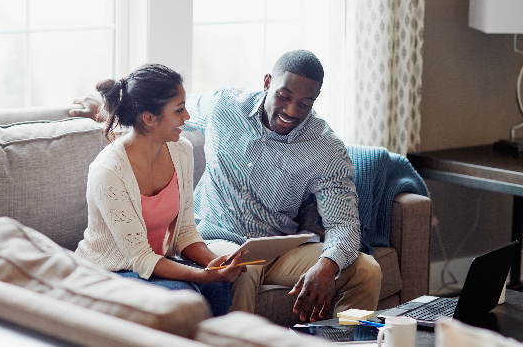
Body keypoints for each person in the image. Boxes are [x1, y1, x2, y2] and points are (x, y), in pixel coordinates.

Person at [71, 50, 382, 322]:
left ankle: (347, 341)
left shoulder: (325, 148)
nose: (291, 111)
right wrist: (104, 109)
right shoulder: (224, 107)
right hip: (220, 238)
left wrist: (328, 265)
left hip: (279, 245)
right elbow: (159, 112)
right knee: (239, 274)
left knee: (366, 269)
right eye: (284, 97)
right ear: (266, 83)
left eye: (304, 103)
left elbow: (345, 227)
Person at [74, 64, 246, 317]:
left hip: (151, 263)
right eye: (179, 110)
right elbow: (140, 258)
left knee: (218, 288)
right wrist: (203, 275)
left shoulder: (182, 151)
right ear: (149, 118)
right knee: (184, 295)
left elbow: (186, 232)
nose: (187, 116)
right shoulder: (109, 170)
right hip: (108, 271)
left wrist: (214, 265)